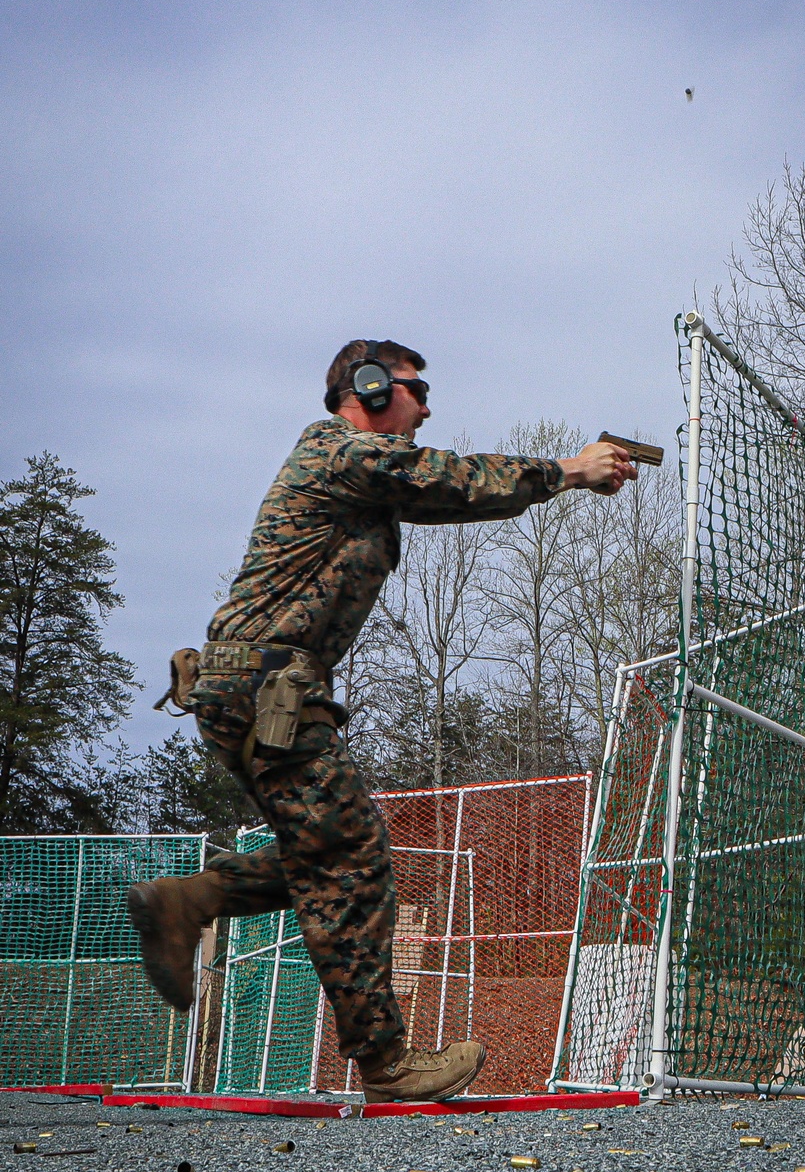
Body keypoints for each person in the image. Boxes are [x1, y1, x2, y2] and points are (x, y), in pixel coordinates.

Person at [128, 338, 636, 1102]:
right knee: (356, 861)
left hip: (252, 689)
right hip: (269, 692)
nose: (426, 408)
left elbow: (436, 493)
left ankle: (192, 901)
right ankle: (387, 1063)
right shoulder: (339, 450)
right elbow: (447, 479)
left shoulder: (356, 472)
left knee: (326, 853)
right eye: (414, 389)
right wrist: (567, 471)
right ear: (366, 388)